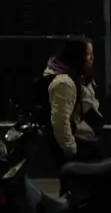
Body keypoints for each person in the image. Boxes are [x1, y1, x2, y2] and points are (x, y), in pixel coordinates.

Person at [33, 37, 104, 166]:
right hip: (78, 144)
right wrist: (71, 149)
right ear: (77, 57)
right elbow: (60, 121)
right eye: (88, 55)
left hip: (87, 140)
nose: (92, 59)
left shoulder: (79, 76)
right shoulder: (64, 83)